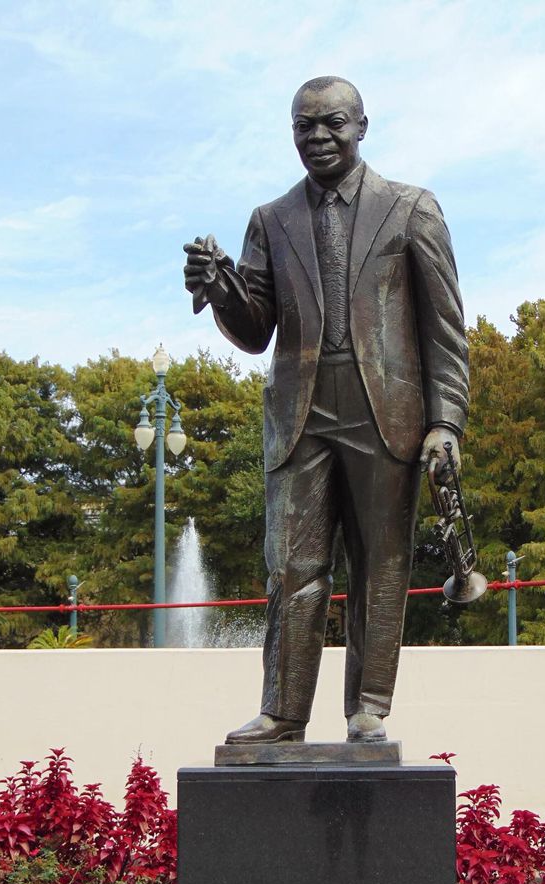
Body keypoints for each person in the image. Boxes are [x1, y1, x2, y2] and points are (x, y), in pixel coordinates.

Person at [183, 76, 468, 744]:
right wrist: (222, 285)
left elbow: (445, 330)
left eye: (331, 123)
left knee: (381, 561)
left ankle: (368, 709)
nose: (317, 137)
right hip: (301, 412)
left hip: (387, 410)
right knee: (292, 564)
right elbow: (255, 329)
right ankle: (282, 711)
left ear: (362, 125)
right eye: (303, 126)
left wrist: (446, 420)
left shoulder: (411, 209)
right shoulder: (271, 220)